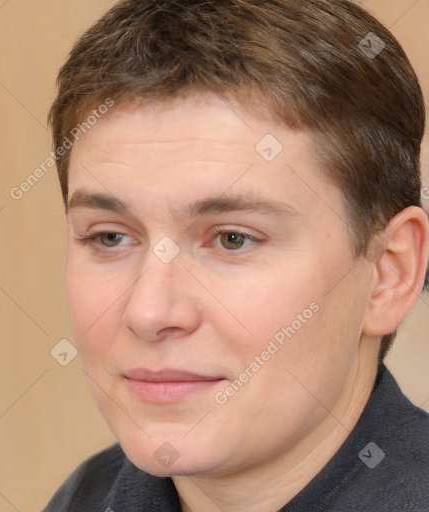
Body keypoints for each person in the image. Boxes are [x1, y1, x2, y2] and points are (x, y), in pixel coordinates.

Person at [43, 0, 429, 510]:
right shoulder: (86, 497)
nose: (148, 312)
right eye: (110, 237)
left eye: (232, 239)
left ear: (388, 273)